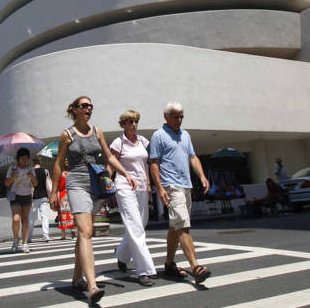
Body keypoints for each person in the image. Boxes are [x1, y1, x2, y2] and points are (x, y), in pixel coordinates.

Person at [49, 96, 136, 306]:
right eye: (84, 106)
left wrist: (125, 173)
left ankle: (76, 279)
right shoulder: (67, 135)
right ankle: (92, 285)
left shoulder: (96, 131)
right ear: (75, 110)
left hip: (96, 186)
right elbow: (59, 164)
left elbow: (109, 157)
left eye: (90, 106)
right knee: (86, 231)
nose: (88, 109)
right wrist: (53, 192)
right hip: (76, 183)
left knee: (83, 235)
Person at [149, 101, 211, 284]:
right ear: (166, 117)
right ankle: (195, 266)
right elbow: (154, 163)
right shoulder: (158, 136)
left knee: (175, 227)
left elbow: (192, 157)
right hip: (171, 186)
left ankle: (169, 264)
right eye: (175, 116)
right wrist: (160, 188)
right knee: (183, 224)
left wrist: (202, 176)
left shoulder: (186, 135)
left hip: (187, 185)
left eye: (181, 116)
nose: (179, 120)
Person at [109, 110, 156, 286]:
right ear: (123, 124)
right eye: (129, 122)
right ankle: (144, 270)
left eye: (135, 121)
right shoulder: (118, 142)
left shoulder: (143, 141)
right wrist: (106, 183)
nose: (133, 125)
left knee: (140, 224)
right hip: (124, 187)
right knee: (136, 228)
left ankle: (121, 253)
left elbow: (146, 165)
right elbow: (112, 163)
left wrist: (149, 185)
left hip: (142, 188)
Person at [5, 148, 37, 253]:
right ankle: (15, 240)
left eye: (26, 158)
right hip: (15, 196)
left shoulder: (30, 168)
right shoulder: (12, 168)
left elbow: (36, 183)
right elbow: (6, 183)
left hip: (27, 196)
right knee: (16, 219)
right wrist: (14, 176)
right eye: (22, 158)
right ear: (18, 158)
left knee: (25, 220)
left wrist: (31, 176)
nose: (24, 160)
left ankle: (25, 243)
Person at [29, 157, 52, 242]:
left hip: (34, 197)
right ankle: (46, 235)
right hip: (44, 196)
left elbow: (31, 186)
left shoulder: (31, 172)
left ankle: (29, 237)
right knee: (44, 217)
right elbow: (49, 185)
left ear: (33, 163)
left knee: (31, 218)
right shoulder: (45, 171)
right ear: (40, 162)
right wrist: (50, 196)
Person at [57, 170, 75, 239]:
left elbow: (59, 186)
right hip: (69, 193)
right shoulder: (70, 173)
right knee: (69, 213)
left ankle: (63, 235)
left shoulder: (60, 174)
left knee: (62, 214)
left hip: (62, 194)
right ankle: (71, 230)